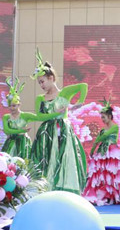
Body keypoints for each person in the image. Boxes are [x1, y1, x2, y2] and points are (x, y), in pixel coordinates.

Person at [28, 49, 89, 194]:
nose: (41, 85)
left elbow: (83, 86)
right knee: (47, 158)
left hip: (63, 130)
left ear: (51, 78)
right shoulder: (40, 98)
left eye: (42, 81)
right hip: (46, 133)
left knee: (64, 157)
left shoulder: (64, 93)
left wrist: (78, 103)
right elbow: (40, 116)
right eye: (39, 83)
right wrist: (56, 113)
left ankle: (64, 189)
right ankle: (44, 188)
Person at [82, 99, 120, 206]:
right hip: (103, 152)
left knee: (113, 173)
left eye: (103, 117)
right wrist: (93, 150)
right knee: (101, 173)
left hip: (112, 152)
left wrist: (98, 140)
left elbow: (103, 136)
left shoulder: (115, 127)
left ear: (109, 116)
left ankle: (115, 195)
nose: (102, 119)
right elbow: (97, 140)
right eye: (101, 117)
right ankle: (103, 195)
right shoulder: (103, 129)